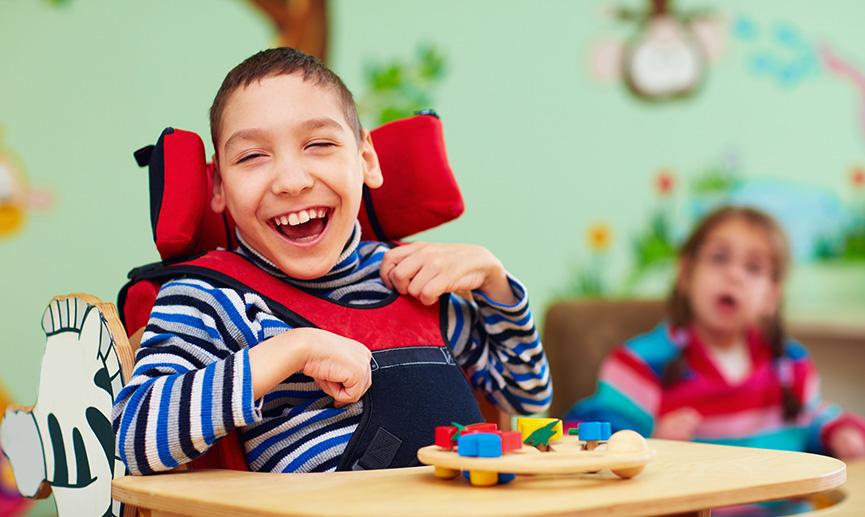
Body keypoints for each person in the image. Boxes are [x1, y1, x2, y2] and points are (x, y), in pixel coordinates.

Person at [112, 48, 551, 474]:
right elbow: (129, 438)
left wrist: (496, 282)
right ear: (219, 188)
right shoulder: (211, 296)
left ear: (366, 160)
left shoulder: (411, 279)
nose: (291, 180)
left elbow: (527, 398)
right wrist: (290, 350)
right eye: (252, 156)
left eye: (318, 144)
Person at [565, 206, 865, 459]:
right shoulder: (639, 365)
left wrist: (839, 433)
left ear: (771, 296)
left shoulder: (791, 366)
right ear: (685, 273)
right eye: (719, 258)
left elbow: (813, 421)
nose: (734, 275)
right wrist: (649, 442)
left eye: (753, 267)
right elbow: (581, 436)